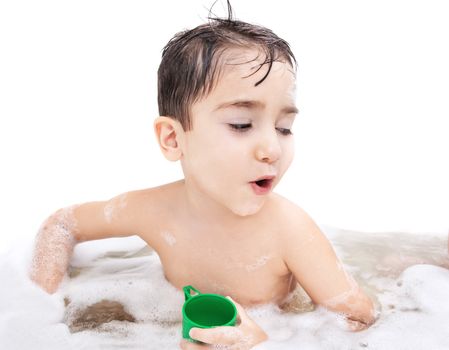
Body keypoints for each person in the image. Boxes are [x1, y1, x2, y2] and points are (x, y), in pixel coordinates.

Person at [29, 3, 375, 349]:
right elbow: (62, 224)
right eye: (241, 124)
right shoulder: (152, 210)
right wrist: (41, 306)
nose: (272, 147)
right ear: (173, 139)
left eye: (284, 128)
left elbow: (361, 319)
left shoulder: (290, 231)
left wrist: (266, 343)